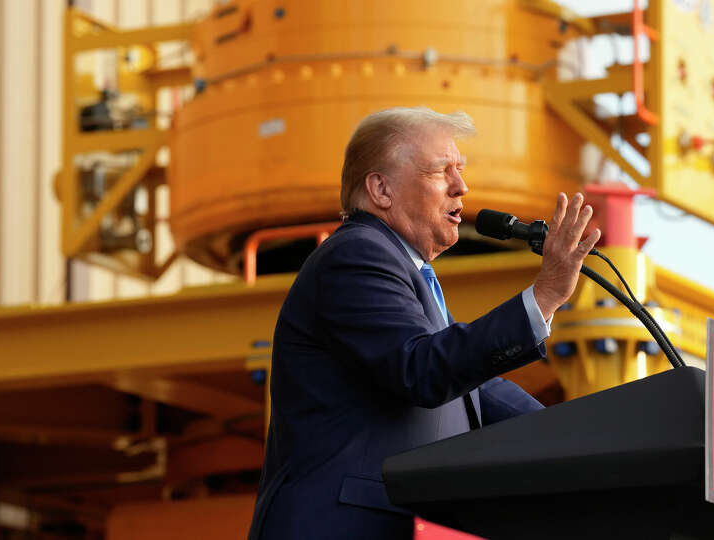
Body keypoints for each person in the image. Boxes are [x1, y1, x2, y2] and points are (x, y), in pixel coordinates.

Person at [247, 107, 601, 539]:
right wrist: (543, 296)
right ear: (381, 189)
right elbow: (423, 368)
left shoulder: (407, 273)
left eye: (461, 169)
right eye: (441, 171)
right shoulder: (356, 256)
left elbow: (479, 391)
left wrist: (587, 440)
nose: (462, 186)